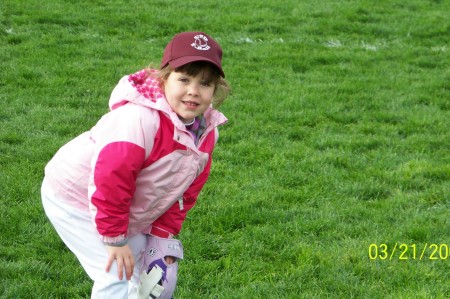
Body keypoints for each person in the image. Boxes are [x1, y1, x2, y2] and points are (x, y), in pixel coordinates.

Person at [41, 31, 230, 299]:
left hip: (123, 206)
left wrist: (162, 236)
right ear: (164, 78)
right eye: (184, 79)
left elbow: (184, 193)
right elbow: (110, 180)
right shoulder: (139, 119)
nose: (193, 91)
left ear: (216, 89)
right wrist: (115, 240)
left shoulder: (206, 132)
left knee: (149, 276)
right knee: (116, 272)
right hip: (75, 197)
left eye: (205, 83)